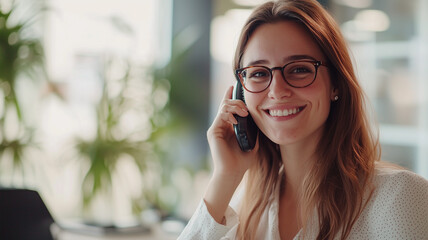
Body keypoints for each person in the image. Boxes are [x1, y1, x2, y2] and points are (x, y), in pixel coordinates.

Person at [178, 0, 428, 239]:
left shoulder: (399, 196)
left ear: (336, 84)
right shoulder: (242, 203)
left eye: (299, 69)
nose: (277, 90)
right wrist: (225, 177)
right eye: (258, 73)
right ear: (240, 93)